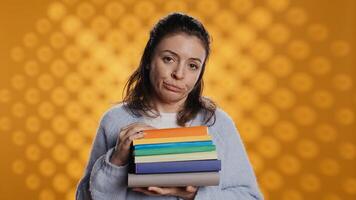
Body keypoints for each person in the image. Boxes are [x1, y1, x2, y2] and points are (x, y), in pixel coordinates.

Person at [76, 12, 263, 200]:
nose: (179, 74)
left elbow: (250, 197)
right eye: (169, 59)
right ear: (149, 60)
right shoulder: (115, 121)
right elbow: (83, 197)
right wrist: (116, 160)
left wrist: (193, 195)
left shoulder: (217, 124)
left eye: (192, 66)